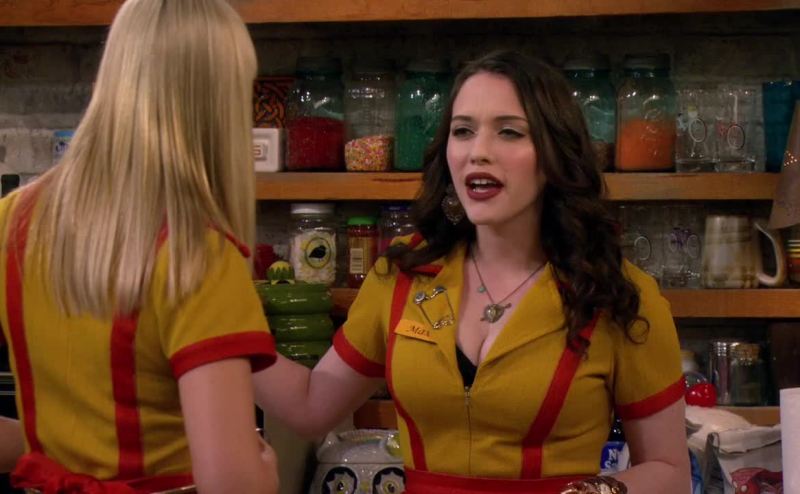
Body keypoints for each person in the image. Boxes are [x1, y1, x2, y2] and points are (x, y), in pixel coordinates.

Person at [254, 50, 690, 493]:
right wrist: (224, 325)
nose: (478, 152)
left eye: (509, 132)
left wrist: (589, 493)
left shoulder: (617, 293)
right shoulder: (402, 274)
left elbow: (669, 471)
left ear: (554, 154)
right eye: (463, 131)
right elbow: (310, 405)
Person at [0, 0, 279, 492]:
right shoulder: (197, 256)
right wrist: (264, 471)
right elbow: (231, 484)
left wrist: (54, 447)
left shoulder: (13, 219)